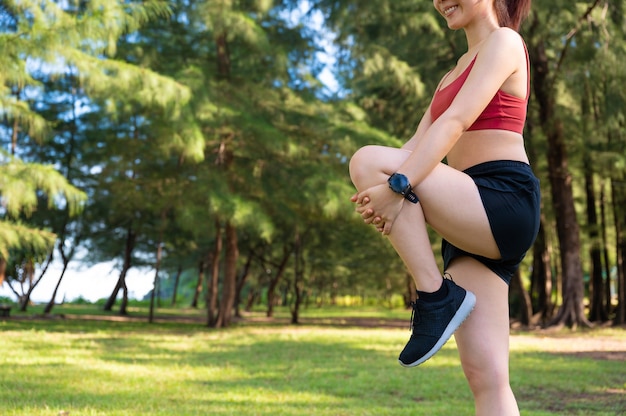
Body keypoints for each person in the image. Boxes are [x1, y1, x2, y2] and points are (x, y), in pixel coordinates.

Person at [348, 1, 538, 415]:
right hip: (465, 213)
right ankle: (440, 297)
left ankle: (435, 296)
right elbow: (412, 149)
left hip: (501, 198)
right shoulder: (450, 74)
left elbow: (455, 123)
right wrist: (381, 194)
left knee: (365, 160)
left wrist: (395, 183)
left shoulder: (505, 42)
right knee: (486, 376)